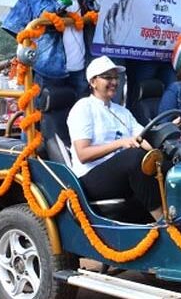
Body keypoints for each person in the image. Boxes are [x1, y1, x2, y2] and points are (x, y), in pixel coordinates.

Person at [67, 56, 163, 221]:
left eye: (116, 78)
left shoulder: (122, 111)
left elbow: (143, 138)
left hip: (121, 174)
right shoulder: (83, 107)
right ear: (93, 82)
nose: (114, 82)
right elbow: (83, 154)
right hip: (89, 178)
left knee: (164, 160)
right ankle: (162, 222)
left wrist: (162, 146)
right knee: (133, 157)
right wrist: (120, 143)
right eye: (108, 77)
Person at [2, 0, 91, 99]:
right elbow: (44, 12)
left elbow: (91, 12)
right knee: (50, 113)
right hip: (51, 66)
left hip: (80, 66)